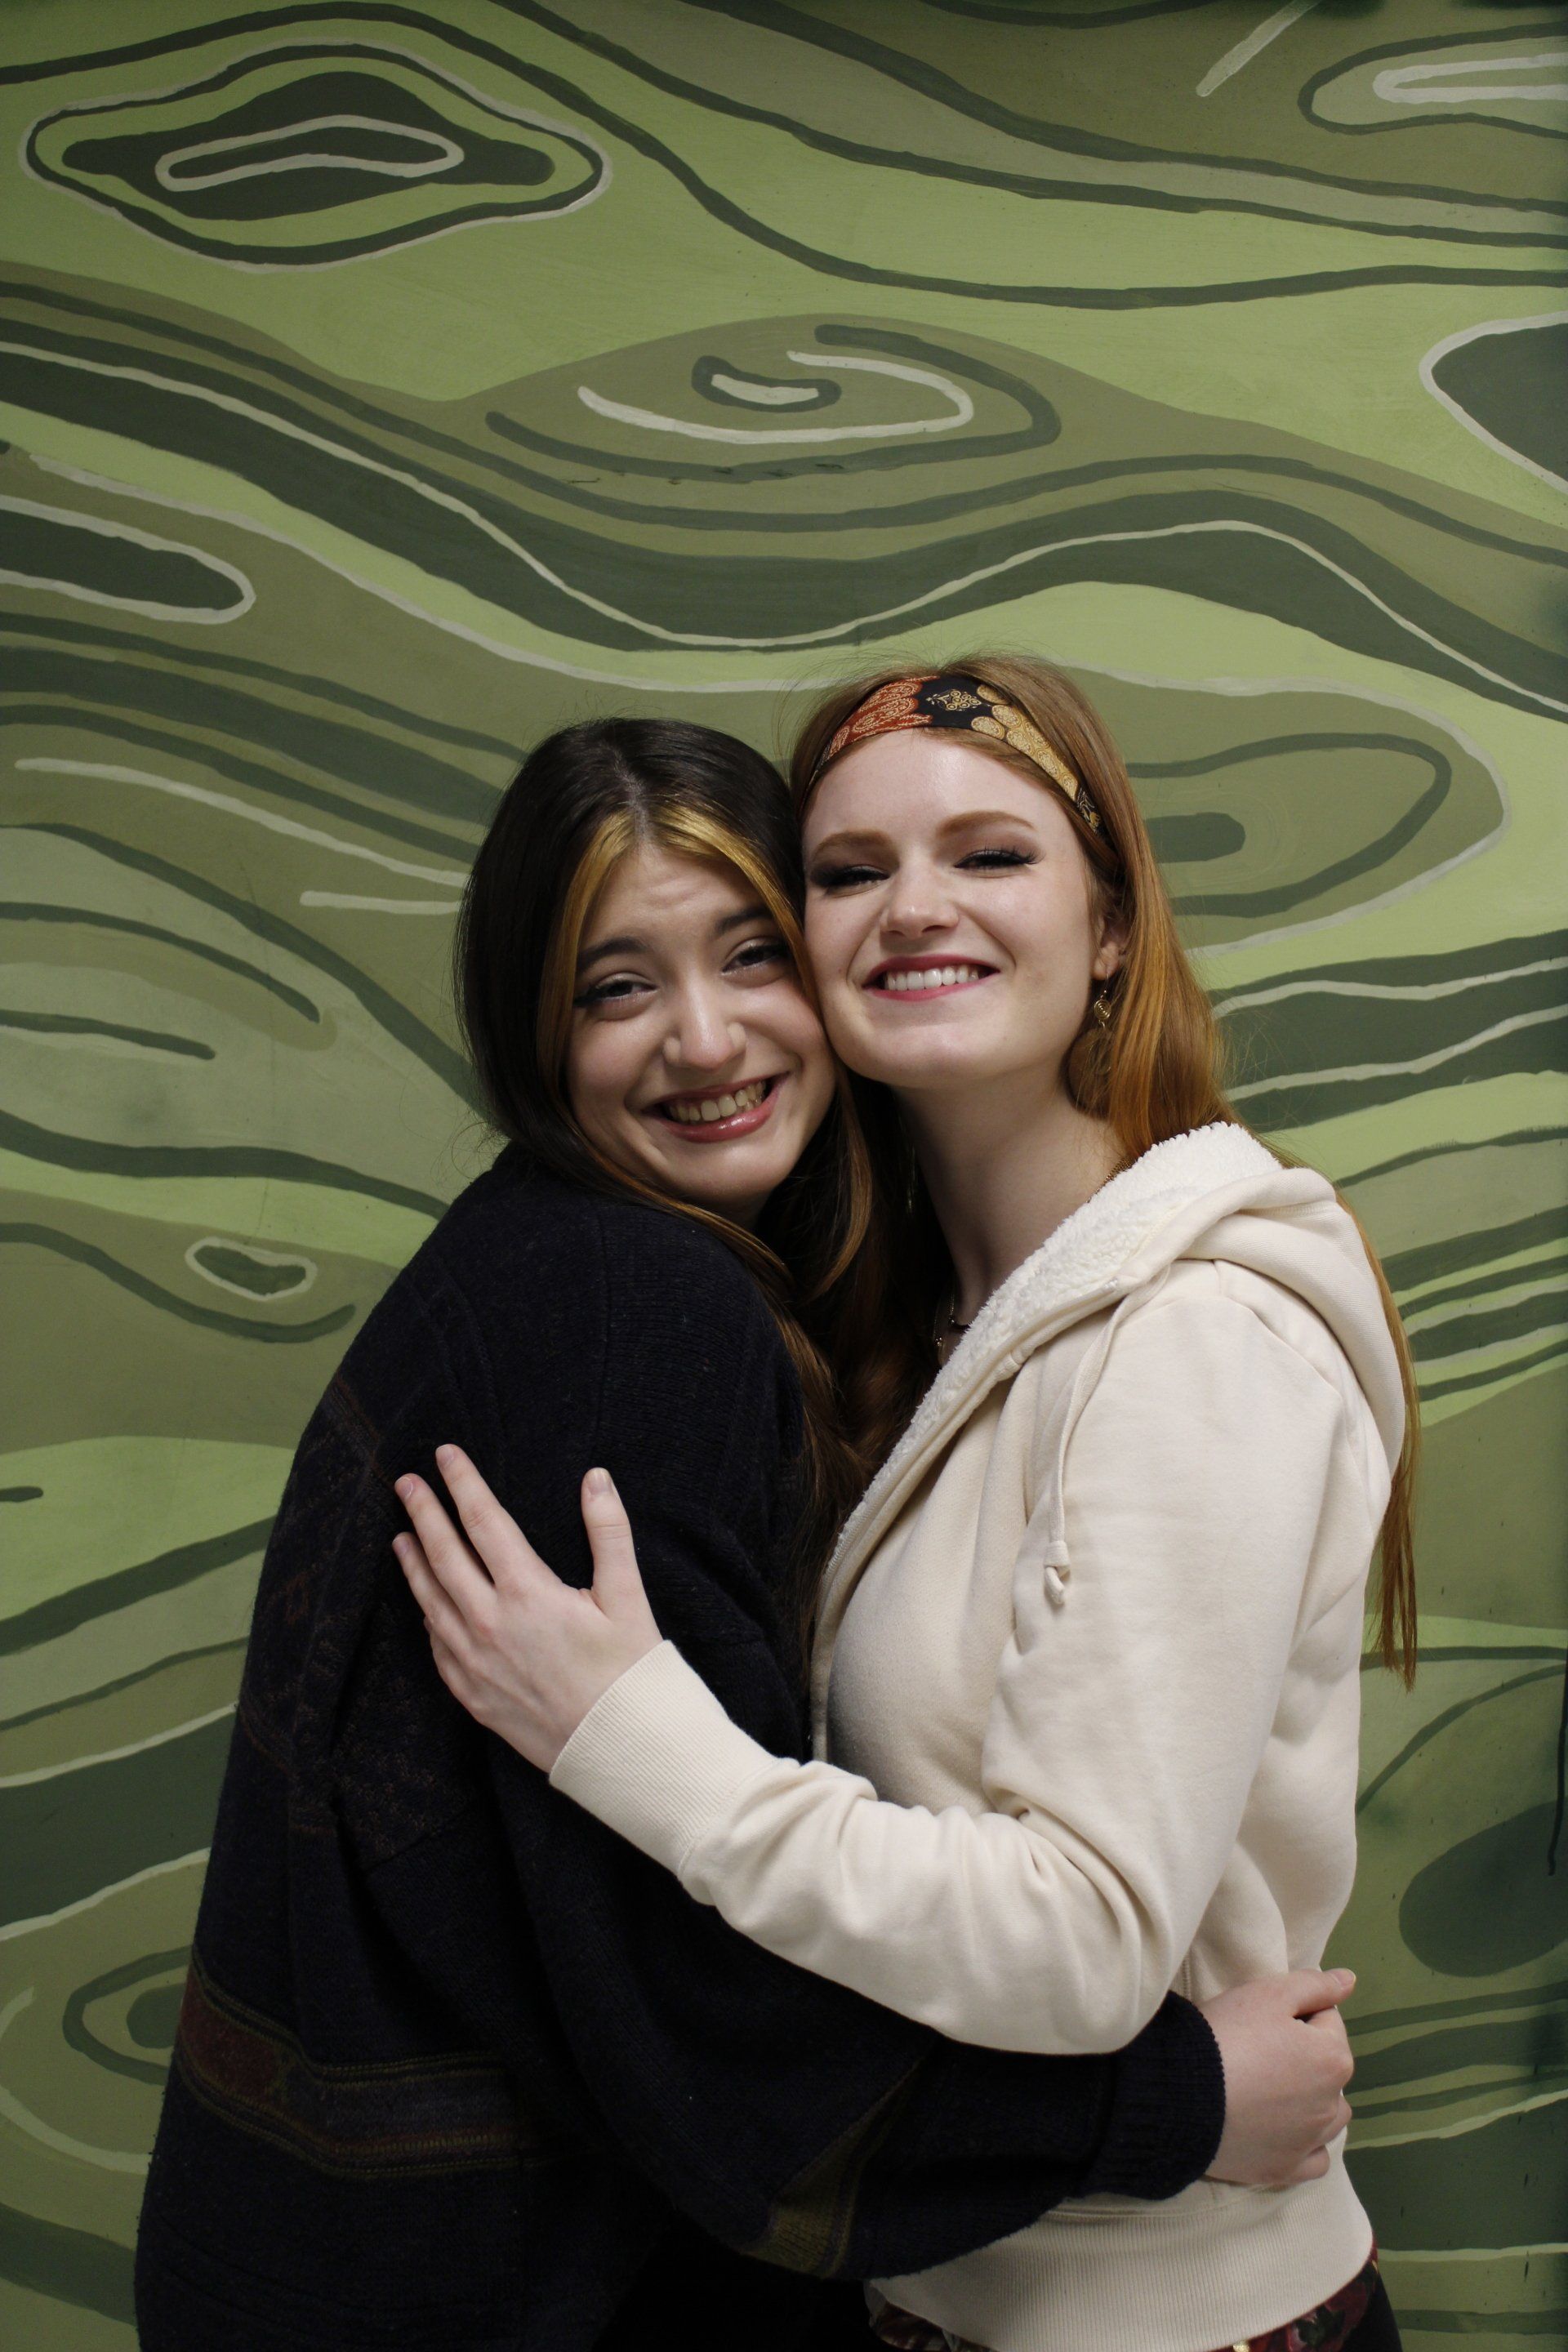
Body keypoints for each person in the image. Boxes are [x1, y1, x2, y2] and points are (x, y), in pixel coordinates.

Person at [135, 715, 1354, 2352]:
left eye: (747, 952)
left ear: (1114, 922)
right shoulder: (641, 1313)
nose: (703, 1039)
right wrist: (1175, 2101)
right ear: (533, 1031)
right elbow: (703, 2009)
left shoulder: (604, 1279)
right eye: (615, 986)